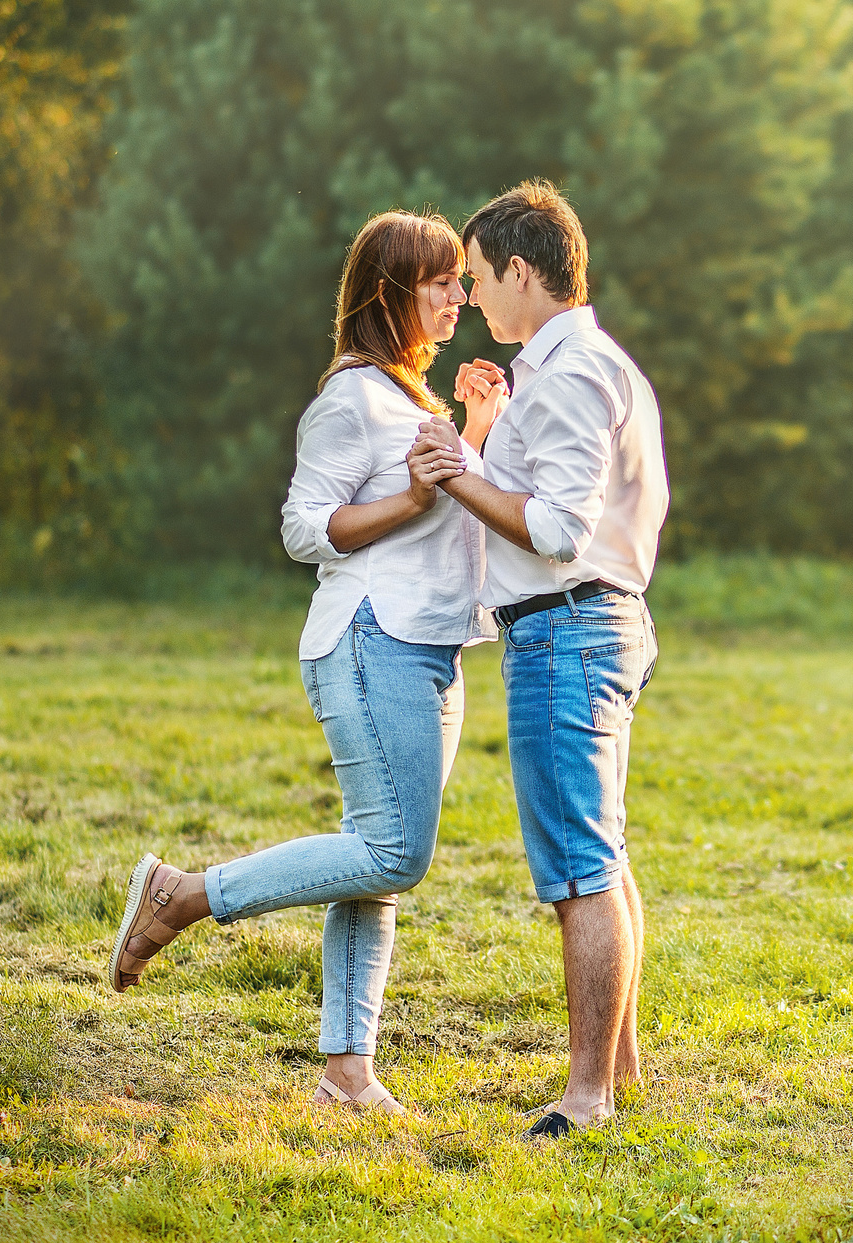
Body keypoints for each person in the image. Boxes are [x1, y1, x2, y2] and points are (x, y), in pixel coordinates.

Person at [104, 210, 508, 1118]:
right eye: (440, 281)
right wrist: (409, 496)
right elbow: (301, 527)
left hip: (432, 649)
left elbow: (452, 511)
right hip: (374, 639)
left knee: (373, 860)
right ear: (391, 291)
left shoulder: (415, 400)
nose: (459, 295)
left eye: (460, 280)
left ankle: (345, 1074)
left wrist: (475, 426)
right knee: (394, 851)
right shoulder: (354, 398)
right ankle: (183, 895)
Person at [409, 179, 668, 1138]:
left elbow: (558, 529)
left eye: (477, 277)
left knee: (578, 870)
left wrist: (458, 468)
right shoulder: (595, 367)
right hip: (599, 621)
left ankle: (587, 1094)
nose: (469, 296)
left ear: (523, 269)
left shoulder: (571, 372)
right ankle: (623, 1075)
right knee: (602, 851)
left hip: (567, 625)